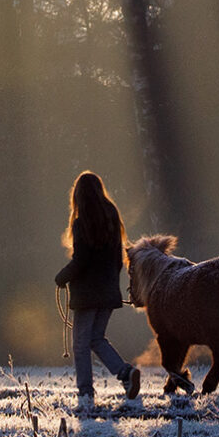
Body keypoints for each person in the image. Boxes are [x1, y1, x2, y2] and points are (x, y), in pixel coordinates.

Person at [55, 171, 141, 402]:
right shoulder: (112, 219)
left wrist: (62, 277)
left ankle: (85, 392)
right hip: (108, 291)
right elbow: (117, 260)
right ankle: (126, 374)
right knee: (96, 339)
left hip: (87, 295)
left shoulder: (82, 223)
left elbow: (81, 260)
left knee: (81, 344)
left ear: (79, 196)